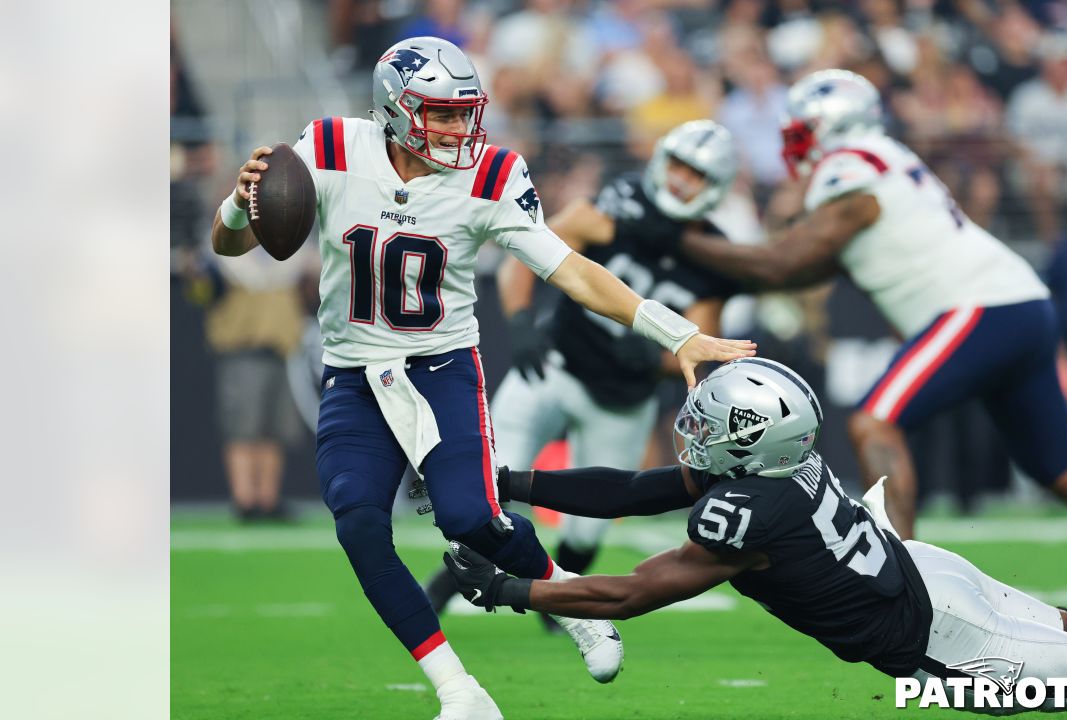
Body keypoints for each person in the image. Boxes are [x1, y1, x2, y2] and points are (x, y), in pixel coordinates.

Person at [210, 36, 754, 720]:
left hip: (441, 366)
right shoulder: (327, 147)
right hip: (353, 372)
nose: (458, 128)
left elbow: (574, 270)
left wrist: (679, 333)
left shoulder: (491, 175)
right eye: (440, 114)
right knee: (358, 525)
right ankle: (460, 692)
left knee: (473, 517)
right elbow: (231, 244)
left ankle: (572, 600)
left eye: (463, 112)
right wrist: (239, 202)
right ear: (394, 111)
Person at [443, 358, 1067, 711]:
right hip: (929, 577)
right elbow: (629, 490)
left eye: (711, 428)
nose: (694, 433)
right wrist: (512, 482)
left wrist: (512, 589)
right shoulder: (778, 467)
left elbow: (633, 594)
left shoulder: (747, 510)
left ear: (753, 444)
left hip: (943, 638)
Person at [677, 69, 1067, 539]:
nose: (794, 149)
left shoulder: (849, 166)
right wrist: (722, 269)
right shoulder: (883, 160)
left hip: (978, 306)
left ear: (832, 129)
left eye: (801, 135)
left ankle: (902, 575)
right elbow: (804, 268)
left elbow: (780, 263)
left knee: (874, 423)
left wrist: (679, 237)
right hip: (1019, 305)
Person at [422, 119, 744, 627]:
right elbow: (529, 248)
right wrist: (523, 321)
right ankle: (443, 589)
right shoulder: (617, 205)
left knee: (587, 533)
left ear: (716, 188)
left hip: (623, 399)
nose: (682, 181)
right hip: (556, 366)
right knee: (488, 482)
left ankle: (559, 612)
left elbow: (702, 339)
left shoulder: (712, 252)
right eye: (679, 166)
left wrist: (653, 359)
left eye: (697, 175)